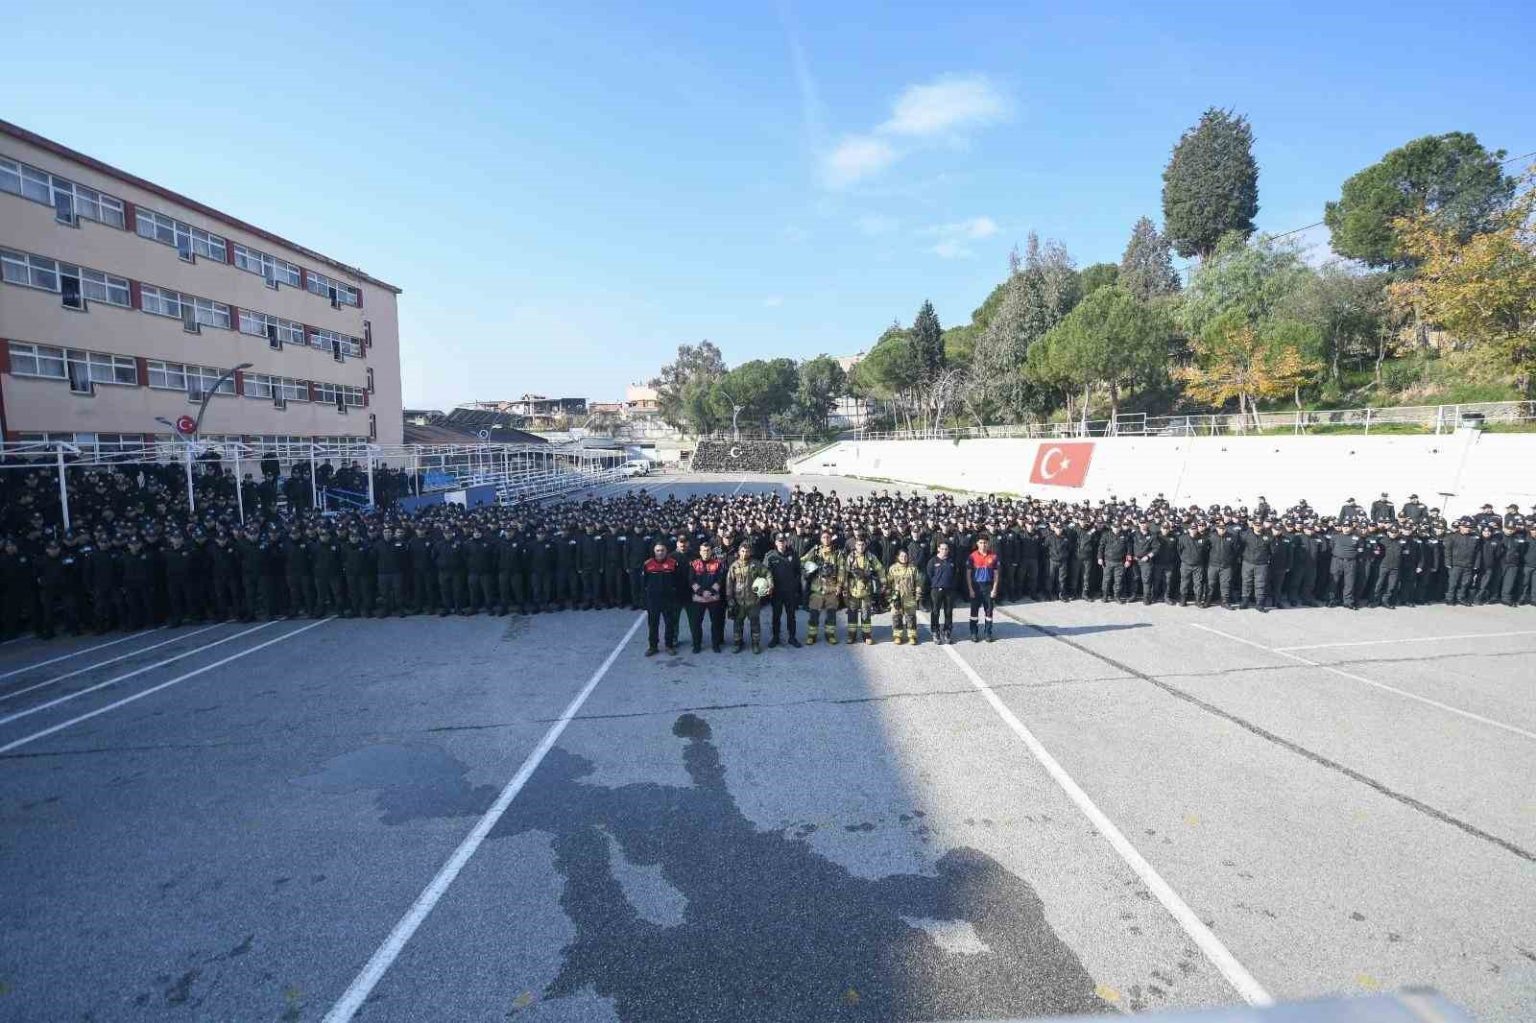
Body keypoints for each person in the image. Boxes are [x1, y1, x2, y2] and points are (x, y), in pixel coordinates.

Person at [725, 541, 771, 654]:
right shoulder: (734, 566)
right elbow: (729, 584)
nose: (745, 553)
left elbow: (767, 574)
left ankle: (755, 644)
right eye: (742, 551)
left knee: (755, 625)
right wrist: (730, 599)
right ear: (739, 552)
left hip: (753, 602)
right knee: (737, 624)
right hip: (738, 602)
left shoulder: (756, 564)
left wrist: (770, 585)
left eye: (747, 551)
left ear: (750, 552)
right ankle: (737, 643)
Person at [841, 537, 884, 645]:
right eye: (858, 545)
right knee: (852, 613)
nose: (861, 547)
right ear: (855, 546)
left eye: (862, 545)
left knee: (866, 614)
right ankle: (851, 635)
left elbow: (880, 568)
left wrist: (883, 582)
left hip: (866, 590)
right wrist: (844, 588)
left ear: (865, 545)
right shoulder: (850, 557)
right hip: (853, 590)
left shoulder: (870, 557)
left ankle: (867, 635)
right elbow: (845, 573)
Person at [763, 533, 802, 648]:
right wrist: (768, 587)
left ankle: (792, 637)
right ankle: (775, 637)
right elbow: (765, 572)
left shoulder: (793, 555)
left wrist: (795, 585)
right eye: (779, 541)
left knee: (791, 615)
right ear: (776, 543)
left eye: (783, 541)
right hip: (776, 592)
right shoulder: (770, 556)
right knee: (776, 615)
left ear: (786, 542)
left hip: (790, 591)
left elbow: (798, 572)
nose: (781, 543)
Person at [641, 542, 680, 656]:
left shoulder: (673, 563)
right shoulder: (648, 564)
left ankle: (669, 645)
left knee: (670, 623)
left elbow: (678, 581)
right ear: (654, 552)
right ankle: (653, 646)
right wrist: (644, 600)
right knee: (653, 624)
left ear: (666, 551)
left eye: (662, 550)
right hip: (653, 600)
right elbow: (643, 583)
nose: (660, 552)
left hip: (669, 599)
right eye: (658, 550)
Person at [687, 541, 726, 654]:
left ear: (711, 551)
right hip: (698, 599)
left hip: (713, 598)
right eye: (704, 550)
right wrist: (701, 592)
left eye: (708, 550)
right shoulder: (694, 564)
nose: (706, 552)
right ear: (700, 552)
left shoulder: (718, 564)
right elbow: (691, 580)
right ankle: (697, 645)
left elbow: (720, 580)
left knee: (716, 623)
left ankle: (716, 645)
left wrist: (711, 592)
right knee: (696, 623)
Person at [803, 530, 842, 646]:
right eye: (824, 537)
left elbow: (842, 570)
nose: (826, 539)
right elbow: (802, 560)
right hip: (817, 589)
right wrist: (809, 567)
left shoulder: (837, 553)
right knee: (814, 614)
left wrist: (839, 585)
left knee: (831, 614)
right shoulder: (815, 551)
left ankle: (830, 635)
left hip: (832, 589)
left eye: (828, 537)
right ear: (820, 539)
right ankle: (812, 635)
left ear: (831, 538)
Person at [966, 534, 1001, 642]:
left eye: (985, 543)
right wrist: (970, 589)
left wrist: (994, 589)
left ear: (988, 543)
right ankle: (973, 633)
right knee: (974, 612)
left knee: (989, 612)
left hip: (988, 587)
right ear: (977, 544)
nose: (983, 545)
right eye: (981, 543)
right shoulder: (972, 556)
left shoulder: (994, 556)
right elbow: (968, 574)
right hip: (976, 586)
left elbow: (996, 574)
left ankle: (988, 633)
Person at [885, 548, 922, 646]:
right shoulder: (893, 568)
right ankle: (897, 636)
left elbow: (918, 581)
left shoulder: (913, 568)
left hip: (909, 596)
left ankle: (912, 636)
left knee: (911, 617)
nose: (904, 558)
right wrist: (889, 597)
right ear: (898, 557)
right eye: (901, 556)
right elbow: (888, 583)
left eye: (905, 556)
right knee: (896, 616)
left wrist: (918, 593)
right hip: (896, 596)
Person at [926, 541, 958, 644]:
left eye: (946, 549)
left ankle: (947, 631)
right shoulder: (932, 561)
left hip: (949, 590)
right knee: (935, 611)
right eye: (942, 549)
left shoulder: (952, 561)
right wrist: (936, 584)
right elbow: (929, 574)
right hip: (936, 590)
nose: (944, 551)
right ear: (938, 549)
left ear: (948, 550)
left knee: (948, 612)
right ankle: (935, 631)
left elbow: (955, 574)